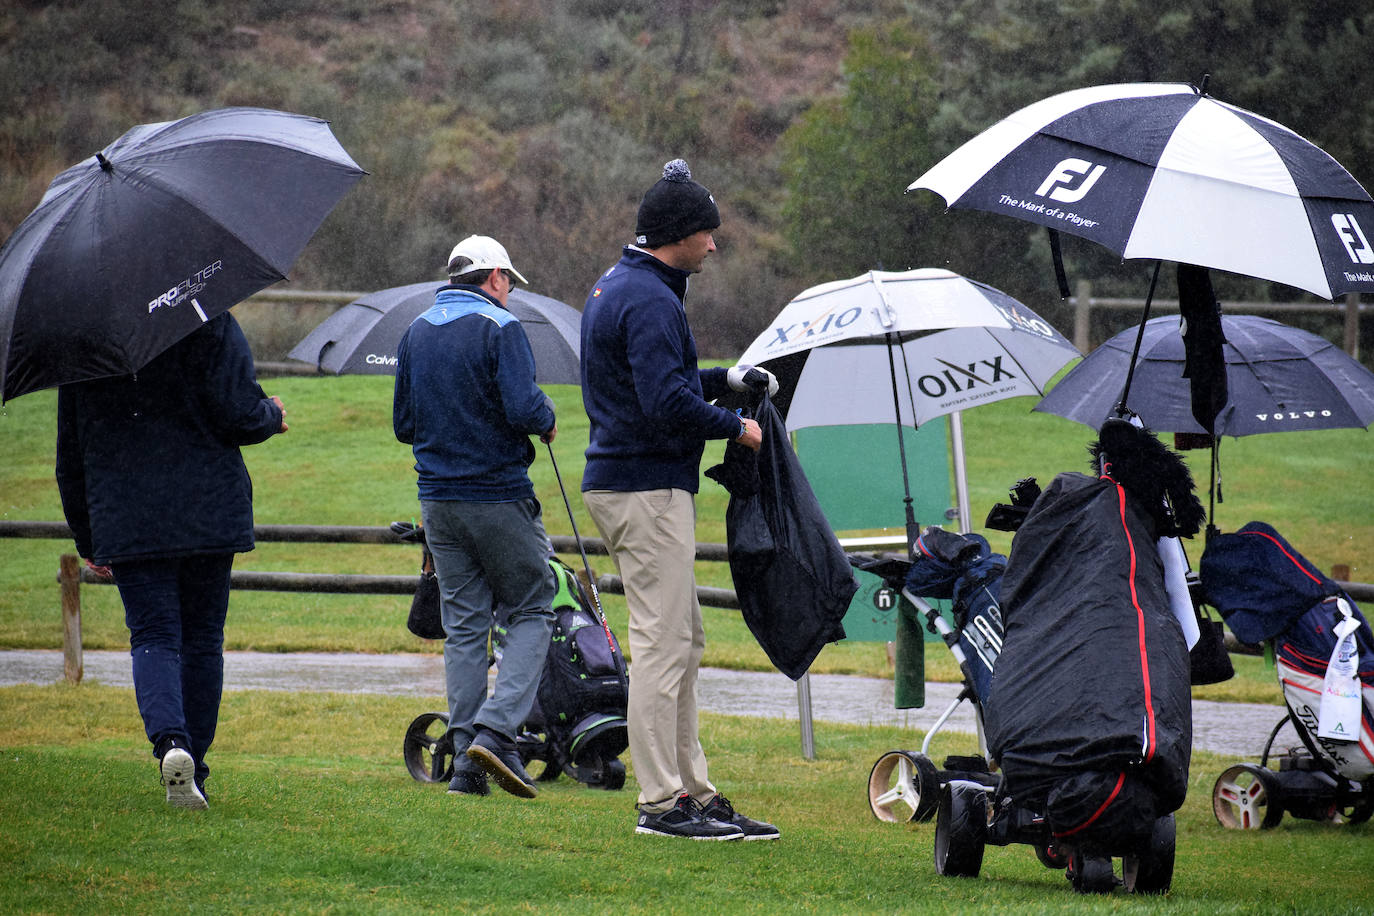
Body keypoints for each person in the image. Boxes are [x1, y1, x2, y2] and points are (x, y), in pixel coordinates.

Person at [580, 159, 780, 840]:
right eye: (707, 233)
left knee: (683, 641)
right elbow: (665, 402)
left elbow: (662, 378)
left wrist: (725, 377)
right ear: (678, 235)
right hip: (646, 489)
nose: (715, 245)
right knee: (664, 647)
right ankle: (661, 804)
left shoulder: (630, 287)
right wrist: (736, 427)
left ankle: (694, 791)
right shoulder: (650, 299)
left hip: (638, 485)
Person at [55, 312, 288, 810]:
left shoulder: (85, 338)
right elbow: (239, 415)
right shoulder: (205, 318)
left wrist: (87, 534)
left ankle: (171, 746)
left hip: (129, 514)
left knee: (154, 635)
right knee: (203, 640)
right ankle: (194, 767)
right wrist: (271, 413)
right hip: (209, 509)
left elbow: (70, 452)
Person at [393, 234, 558, 800]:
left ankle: (465, 763)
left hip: (437, 501)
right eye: (509, 282)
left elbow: (404, 425)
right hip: (498, 495)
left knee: (464, 626)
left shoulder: (415, 331)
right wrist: (547, 414)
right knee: (534, 606)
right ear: (494, 278)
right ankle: (497, 729)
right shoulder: (502, 328)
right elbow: (522, 406)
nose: (510, 293)